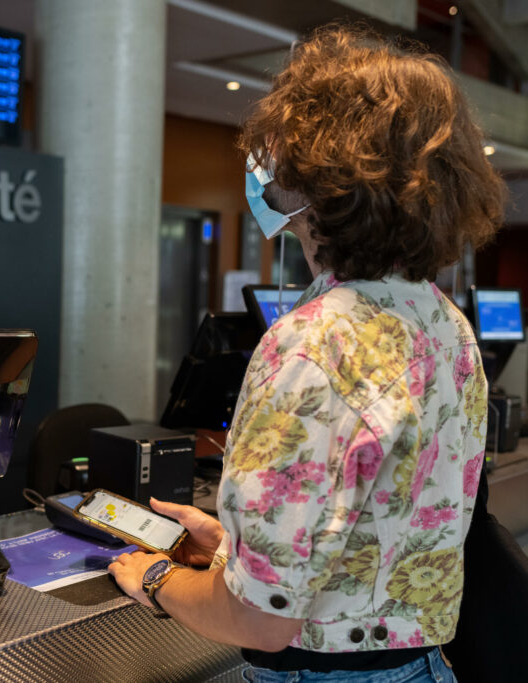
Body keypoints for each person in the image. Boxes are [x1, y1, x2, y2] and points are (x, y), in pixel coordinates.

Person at [109, 25, 506, 681]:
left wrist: (156, 576)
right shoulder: (442, 321)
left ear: (317, 174)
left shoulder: (313, 342)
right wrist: (238, 548)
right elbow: (373, 527)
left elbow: (260, 619)